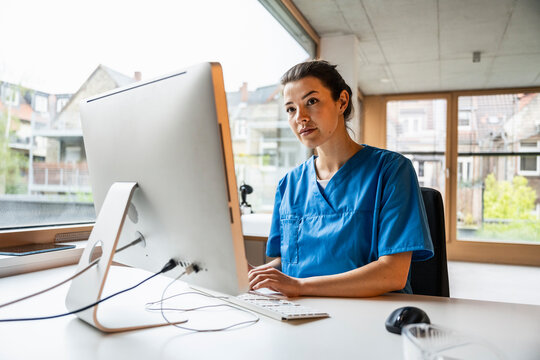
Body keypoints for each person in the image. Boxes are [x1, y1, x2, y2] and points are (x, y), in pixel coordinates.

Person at [248, 60, 434, 298]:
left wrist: (300, 286)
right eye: (291, 109)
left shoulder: (391, 171)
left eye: (311, 102)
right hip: (300, 312)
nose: (300, 117)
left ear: (342, 101)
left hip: (368, 314)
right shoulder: (289, 184)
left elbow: (393, 273)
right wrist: (253, 275)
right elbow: (288, 264)